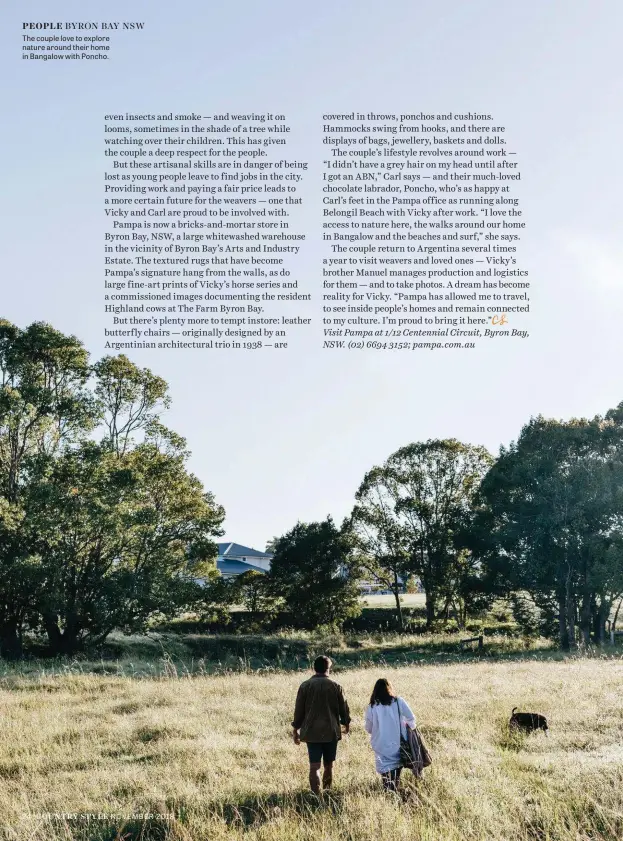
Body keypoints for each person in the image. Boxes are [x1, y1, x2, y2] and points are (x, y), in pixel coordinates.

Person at [291, 655, 351, 794]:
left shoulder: (305, 686)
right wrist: (346, 723)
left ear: (314, 668)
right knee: (329, 766)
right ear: (328, 668)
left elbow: (299, 710)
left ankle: (315, 796)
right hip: (331, 731)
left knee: (314, 766)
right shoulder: (336, 686)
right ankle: (328, 793)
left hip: (312, 732)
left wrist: (296, 729)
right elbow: (344, 708)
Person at [364, 677, 416, 792]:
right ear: (390, 688)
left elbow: (368, 728)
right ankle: (394, 791)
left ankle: (388, 792)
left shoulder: (372, 706)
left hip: (380, 744)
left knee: (385, 774)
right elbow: (412, 719)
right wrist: (405, 727)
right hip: (398, 744)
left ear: (375, 690)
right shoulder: (399, 702)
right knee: (397, 771)